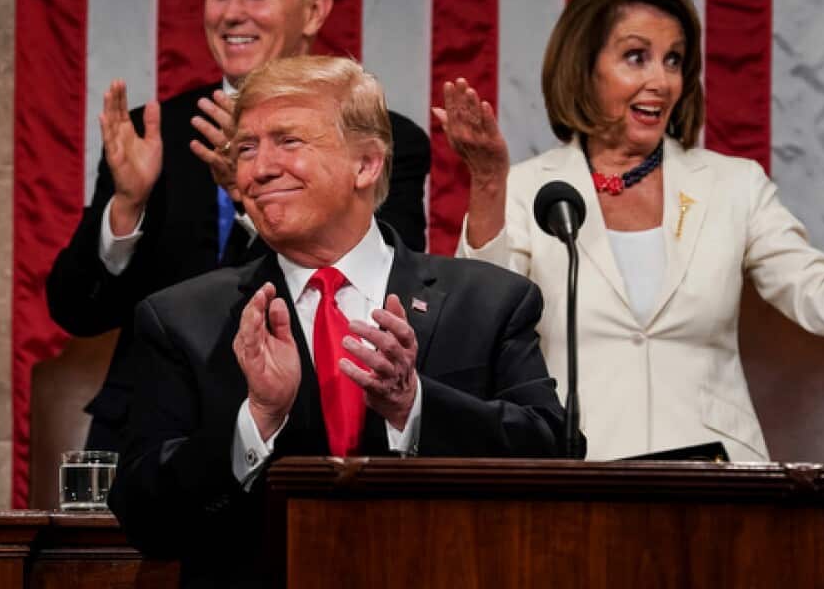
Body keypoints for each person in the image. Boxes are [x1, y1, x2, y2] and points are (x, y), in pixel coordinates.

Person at [438, 0, 824, 463]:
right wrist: (487, 183)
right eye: (637, 57)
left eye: (675, 60)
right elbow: (487, 324)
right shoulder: (529, 189)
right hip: (585, 475)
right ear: (584, 68)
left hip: (720, 479)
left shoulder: (734, 185)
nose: (661, 80)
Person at [112, 56, 568, 587]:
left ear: (367, 164)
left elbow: (551, 461)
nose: (258, 170)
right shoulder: (184, 320)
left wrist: (414, 406)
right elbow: (145, 519)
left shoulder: (488, 302)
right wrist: (255, 419)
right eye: (246, 148)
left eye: (289, 141)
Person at [45, 0, 431, 452]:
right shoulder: (150, 134)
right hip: (154, 439)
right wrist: (127, 208)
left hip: (307, 436)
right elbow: (76, 311)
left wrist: (251, 195)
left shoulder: (378, 140)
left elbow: (393, 290)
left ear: (315, 10)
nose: (231, 13)